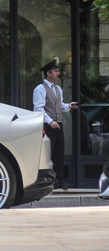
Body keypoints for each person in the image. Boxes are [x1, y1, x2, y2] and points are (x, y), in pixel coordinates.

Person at [32, 59, 78, 189]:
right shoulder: (40, 89)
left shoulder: (58, 89)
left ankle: (59, 181)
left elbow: (60, 105)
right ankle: (44, 182)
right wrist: (50, 121)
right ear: (48, 73)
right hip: (46, 126)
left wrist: (69, 106)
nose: (58, 73)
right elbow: (38, 109)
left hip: (58, 124)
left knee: (59, 153)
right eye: (56, 71)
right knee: (47, 153)